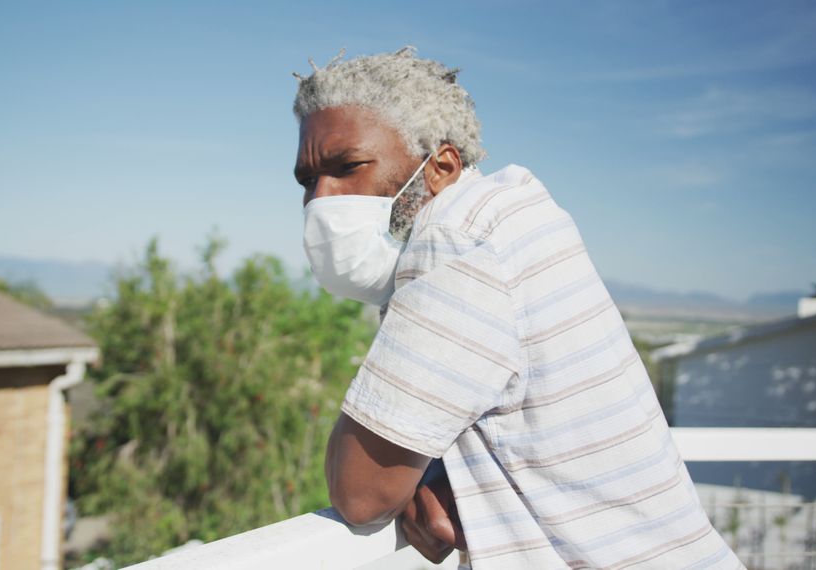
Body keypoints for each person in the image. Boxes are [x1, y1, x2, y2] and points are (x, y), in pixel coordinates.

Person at [293, 47, 743, 569]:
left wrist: (409, 471)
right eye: (307, 179)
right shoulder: (507, 218)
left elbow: (362, 492)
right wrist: (440, 469)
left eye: (347, 167)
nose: (321, 199)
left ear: (440, 167)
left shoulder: (456, 244)